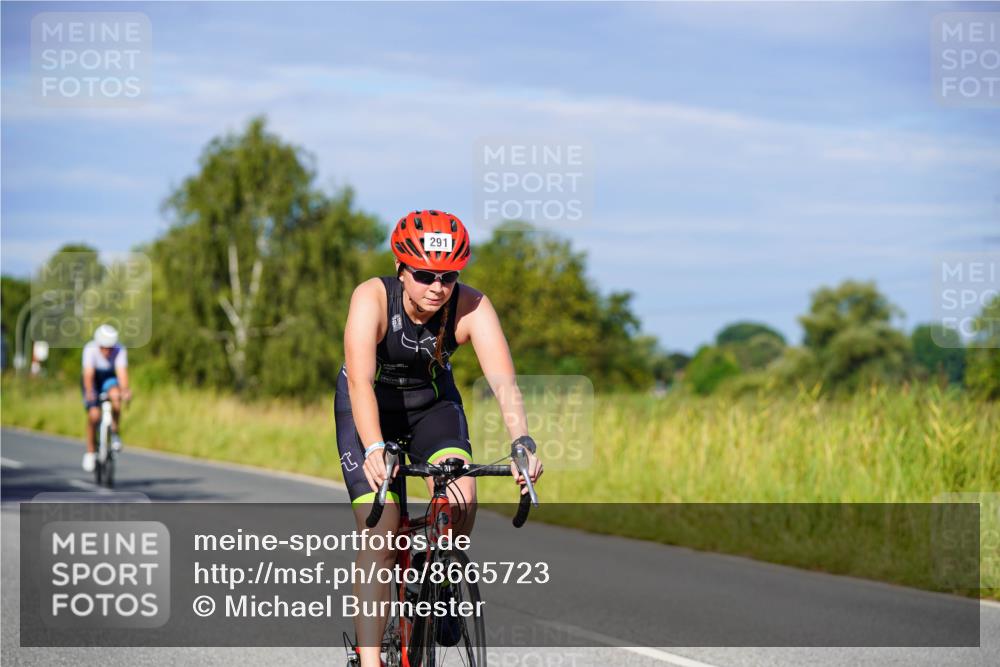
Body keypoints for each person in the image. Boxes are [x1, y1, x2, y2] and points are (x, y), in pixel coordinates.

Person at [336, 210, 543, 667]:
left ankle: (439, 581)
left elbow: (504, 384)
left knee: (463, 497)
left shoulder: (471, 306)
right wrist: (375, 449)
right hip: (368, 408)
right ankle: (370, 661)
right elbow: (360, 384)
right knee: (382, 531)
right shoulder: (371, 298)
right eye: (425, 275)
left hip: (431, 407)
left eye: (448, 277)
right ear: (401, 269)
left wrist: (522, 443)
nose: (437, 287)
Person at [81, 324, 131, 472]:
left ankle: (115, 432)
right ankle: (90, 452)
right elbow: (88, 375)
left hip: (109, 378)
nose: (107, 351)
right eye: (104, 347)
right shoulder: (90, 349)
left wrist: (125, 390)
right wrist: (90, 392)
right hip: (93, 379)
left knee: (116, 396)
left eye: (110, 348)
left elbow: (122, 373)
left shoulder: (120, 349)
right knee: (94, 416)